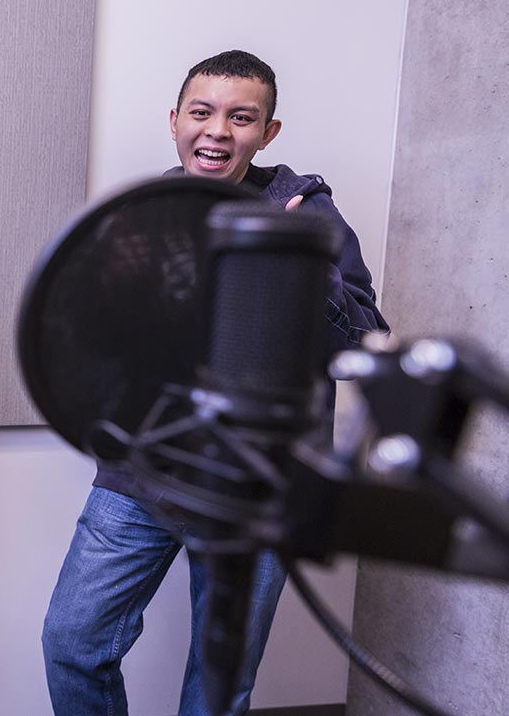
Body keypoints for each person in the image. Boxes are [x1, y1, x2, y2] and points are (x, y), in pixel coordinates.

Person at [40, 49, 388, 716]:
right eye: (201, 113)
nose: (218, 131)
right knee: (71, 641)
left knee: (221, 683)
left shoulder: (305, 209)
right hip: (144, 472)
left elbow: (365, 340)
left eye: (242, 117)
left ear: (268, 132)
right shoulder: (144, 214)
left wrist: (301, 266)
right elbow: (92, 343)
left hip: (260, 482)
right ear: (175, 121)